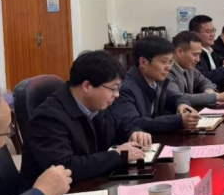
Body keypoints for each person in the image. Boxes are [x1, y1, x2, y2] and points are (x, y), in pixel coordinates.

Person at [21, 51, 153, 187]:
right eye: (113, 89)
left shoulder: (96, 104)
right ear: (87, 86)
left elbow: (117, 126)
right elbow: (64, 167)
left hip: (91, 182)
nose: (117, 95)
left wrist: (133, 132)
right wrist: (118, 156)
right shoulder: (47, 118)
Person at [108, 36, 200, 134]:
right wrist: (178, 121)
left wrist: (182, 105)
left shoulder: (156, 81)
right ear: (143, 62)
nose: (169, 68)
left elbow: (176, 96)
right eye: (164, 62)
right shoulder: (125, 88)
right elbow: (133, 123)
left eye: (170, 62)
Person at [169, 31, 224, 109]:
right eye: (195, 55)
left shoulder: (189, 68)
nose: (198, 60)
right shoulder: (167, 70)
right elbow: (179, 97)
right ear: (180, 51)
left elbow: (204, 81)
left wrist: (209, 90)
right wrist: (216, 97)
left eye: (199, 55)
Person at [190, 15, 224, 88]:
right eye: (208, 32)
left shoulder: (210, 51)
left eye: (213, 30)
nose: (213, 34)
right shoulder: (194, 55)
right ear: (195, 34)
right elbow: (202, 79)